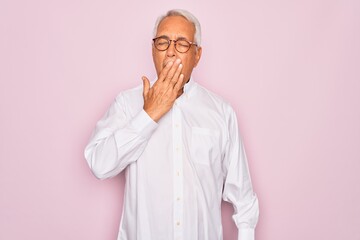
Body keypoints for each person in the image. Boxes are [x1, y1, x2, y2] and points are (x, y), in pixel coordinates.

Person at [85, 9, 259, 240]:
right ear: (153, 50)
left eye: (182, 44)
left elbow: (244, 197)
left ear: (197, 55)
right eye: (163, 42)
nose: (170, 51)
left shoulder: (221, 111)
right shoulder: (127, 103)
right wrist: (148, 115)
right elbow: (99, 163)